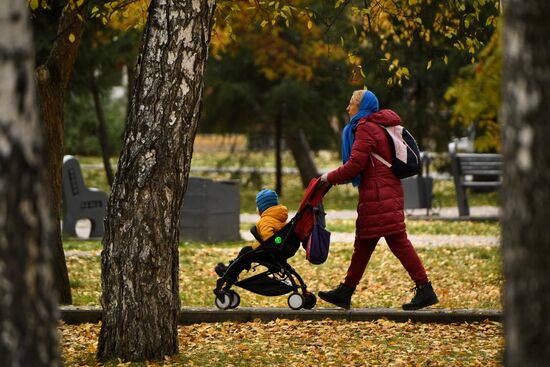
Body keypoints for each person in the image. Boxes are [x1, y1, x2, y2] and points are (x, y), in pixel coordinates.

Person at [319, 89, 439, 310]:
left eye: (351, 103)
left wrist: (328, 177)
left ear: (361, 106)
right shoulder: (377, 126)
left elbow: (355, 165)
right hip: (382, 192)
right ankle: (346, 291)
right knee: (365, 243)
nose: (347, 108)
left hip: (378, 194)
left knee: (396, 243)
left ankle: (425, 288)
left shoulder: (365, 128)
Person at [215, 189, 288, 277]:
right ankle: (232, 270)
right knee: (247, 251)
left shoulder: (266, 221)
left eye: (258, 206)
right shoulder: (280, 218)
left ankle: (230, 273)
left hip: (269, 253)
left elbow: (268, 239)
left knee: (246, 251)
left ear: (262, 207)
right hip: (279, 251)